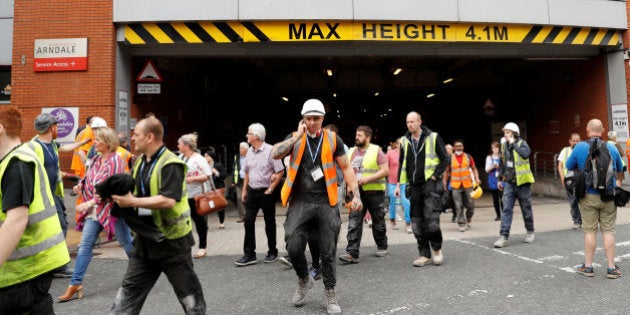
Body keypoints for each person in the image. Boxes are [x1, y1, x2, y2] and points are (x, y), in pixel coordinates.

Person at [271, 98, 362, 314]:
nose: (312, 122)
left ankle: (330, 292)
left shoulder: (333, 139)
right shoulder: (293, 138)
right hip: (300, 201)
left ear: (322, 119)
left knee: (328, 250)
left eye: (316, 118)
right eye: (308, 118)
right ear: (303, 119)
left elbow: (347, 167)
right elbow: (275, 153)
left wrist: (355, 194)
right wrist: (298, 137)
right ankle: (304, 278)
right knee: (292, 244)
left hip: (325, 200)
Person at [110, 116, 206, 314]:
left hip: (172, 244)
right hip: (145, 242)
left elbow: (168, 200)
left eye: (136, 135)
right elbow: (136, 191)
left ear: (150, 137)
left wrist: (132, 202)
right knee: (125, 299)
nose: (132, 139)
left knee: (191, 301)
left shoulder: (171, 163)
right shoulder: (140, 163)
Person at [0, 106, 70, 314]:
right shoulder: (13, 160)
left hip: (24, 272)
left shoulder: (18, 162)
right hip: (23, 272)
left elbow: (16, 220)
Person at [58, 127, 134, 302]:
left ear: (107, 143)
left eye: (98, 140)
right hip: (95, 212)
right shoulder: (95, 159)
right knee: (85, 246)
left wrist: (89, 202)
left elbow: (110, 187)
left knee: (126, 243)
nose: (95, 142)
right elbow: (88, 178)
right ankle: (75, 284)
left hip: (112, 210)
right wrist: (80, 187)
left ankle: (142, 269)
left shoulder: (115, 160)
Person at [31, 113, 89, 278]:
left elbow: (66, 148)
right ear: (51, 128)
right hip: (43, 196)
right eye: (56, 126)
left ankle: (55, 264)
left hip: (53, 195)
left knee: (59, 226)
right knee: (54, 228)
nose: (57, 129)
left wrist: (82, 143)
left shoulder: (52, 144)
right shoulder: (35, 146)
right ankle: (53, 265)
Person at [565, 119, 623, 279]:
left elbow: (569, 166)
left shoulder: (579, 147)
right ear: (603, 130)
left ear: (587, 130)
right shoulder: (611, 147)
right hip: (609, 196)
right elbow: (619, 168)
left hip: (588, 196)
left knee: (590, 231)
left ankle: (588, 267)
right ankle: (611, 268)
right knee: (608, 231)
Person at [396, 111, 449, 267]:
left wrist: (434, 176)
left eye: (412, 121)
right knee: (417, 222)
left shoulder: (433, 137)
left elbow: (445, 158)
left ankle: (437, 250)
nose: (409, 124)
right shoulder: (405, 141)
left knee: (431, 221)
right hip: (414, 186)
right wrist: (401, 184)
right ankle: (424, 254)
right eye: (407, 122)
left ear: (420, 121)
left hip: (430, 184)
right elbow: (402, 163)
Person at [235, 123, 284, 266]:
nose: (247, 136)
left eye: (249, 133)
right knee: (248, 221)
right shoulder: (249, 151)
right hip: (252, 191)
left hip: (266, 192)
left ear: (256, 136)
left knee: (269, 222)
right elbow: (247, 172)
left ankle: (272, 251)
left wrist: (271, 188)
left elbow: (280, 171)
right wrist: (244, 190)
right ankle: (249, 254)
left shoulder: (271, 150)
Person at [339, 125, 389, 263]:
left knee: (378, 221)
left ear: (367, 137)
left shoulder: (376, 151)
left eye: (360, 135)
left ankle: (382, 245)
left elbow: (385, 170)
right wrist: (348, 186)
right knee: (354, 221)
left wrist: (368, 179)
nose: (356, 137)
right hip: (356, 193)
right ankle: (352, 253)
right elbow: (346, 170)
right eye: (356, 135)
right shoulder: (351, 151)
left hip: (375, 192)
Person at [493, 122, 536, 248]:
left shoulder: (522, 144)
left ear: (514, 134)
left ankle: (530, 231)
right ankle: (503, 236)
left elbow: (526, 154)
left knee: (526, 209)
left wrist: (513, 145)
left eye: (508, 132)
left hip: (523, 183)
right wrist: (500, 179)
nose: (505, 135)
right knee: (506, 209)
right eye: (505, 133)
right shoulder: (503, 146)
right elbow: (502, 163)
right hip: (510, 183)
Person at [177, 133, 212, 259]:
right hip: (182, 196)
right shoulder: (180, 157)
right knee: (183, 222)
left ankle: (203, 247)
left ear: (186, 146)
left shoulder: (199, 159)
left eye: (179, 144)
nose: (178, 146)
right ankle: (185, 247)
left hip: (197, 196)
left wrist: (192, 179)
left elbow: (207, 175)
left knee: (200, 222)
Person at [443, 139, 480, 232]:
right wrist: (444, 183)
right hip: (455, 185)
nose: (459, 147)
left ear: (463, 147)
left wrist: (477, 178)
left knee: (471, 205)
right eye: (457, 146)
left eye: (461, 146)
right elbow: (446, 172)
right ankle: (461, 223)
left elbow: (474, 169)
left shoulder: (468, 157)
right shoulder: (450, 158)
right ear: (454, 148)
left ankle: (468, 217)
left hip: (468, 184)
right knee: (458, 205)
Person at [557, 133, 582, 229]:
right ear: (570, 141)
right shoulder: (565, 151)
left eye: (577, 140)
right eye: (574, 140)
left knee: (583, 200)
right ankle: (577, 221)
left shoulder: (583, 150)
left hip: (580, 179)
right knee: (573, 200)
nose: (575, 142)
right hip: (570, 180)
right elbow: (560, 165)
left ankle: (586, 219)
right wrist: (562, 177)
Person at [386, 138, 411, 232]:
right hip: (392, 181)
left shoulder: (409, 154)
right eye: (400, 143)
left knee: (406, 202)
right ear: (396, 144)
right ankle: (392, 219)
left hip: (405, 181)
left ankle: (408, 223)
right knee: (392, 199)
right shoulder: (390, 153)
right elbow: (385, 167)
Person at [204, 148, 228, 229]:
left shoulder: (218, 165)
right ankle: (205, 225)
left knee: (219, 206)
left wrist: (216, 172)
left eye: (207, 156)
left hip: (217, 189)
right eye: (204, 156)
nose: (205, 158)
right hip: (206, 189)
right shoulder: (203, 166)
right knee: (205, 207)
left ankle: (222, 223)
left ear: (211, 157)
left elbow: (224, 176)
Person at [485, 141, 503, 221]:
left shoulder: (502, 156)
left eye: (497, 148)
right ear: (491, 149)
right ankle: (498, 215)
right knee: (495, 198)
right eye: (494, 148)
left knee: (503, 197)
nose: (495, 149)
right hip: (492, 178)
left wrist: (499, 166)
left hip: (501, 178)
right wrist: (492, 166)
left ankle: (504, 213)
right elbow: (487, 170)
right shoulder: (489, 157)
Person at [232, 142, 249, 223]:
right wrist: (233, 180)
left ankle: (249, 215)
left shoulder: (251, 156)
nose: (239, 150)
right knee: (239, 197)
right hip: (239, 180)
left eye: (241, 148)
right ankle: (242, 216)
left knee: (249, 197)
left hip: (250, 179)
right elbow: (234, 168)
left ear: (246, 149)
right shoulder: (237, 157)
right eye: (239, 148)